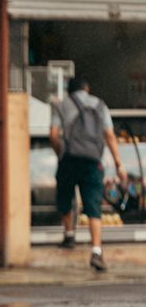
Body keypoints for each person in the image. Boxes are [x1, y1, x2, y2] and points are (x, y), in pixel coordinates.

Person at [50, 76, 127, 271]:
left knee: (65, 195)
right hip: (93, 161)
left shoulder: (62, 105)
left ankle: (69, 235)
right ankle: (96, 251)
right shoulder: (100, 105)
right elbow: (109, 135)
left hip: (69, 159)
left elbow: (53, 134)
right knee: (93, 204)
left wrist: (60, 153)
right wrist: (118, 163)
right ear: (87, 88)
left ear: (69, 90)